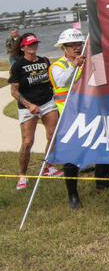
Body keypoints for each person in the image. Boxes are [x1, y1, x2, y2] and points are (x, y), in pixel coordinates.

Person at [49, 28, 109, 208]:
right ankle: (73, 196)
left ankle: (102, 182)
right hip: (70, 117)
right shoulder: (58, 67)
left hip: (93, 112)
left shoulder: (89, 62)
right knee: (72, 156)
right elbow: (62, 82)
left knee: (105, 145)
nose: (77, 48)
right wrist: (74, 65)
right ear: (63, 48)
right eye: (73, 45)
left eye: (80, 44)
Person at [9, 32, 64, 189]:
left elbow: (53, 80)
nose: (34, 46)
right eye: (30, 44)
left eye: (35, 43)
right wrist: (29, 105)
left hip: (47, 103)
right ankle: (22, 175)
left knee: (53, 136)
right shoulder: (18, 66)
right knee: (27, 142)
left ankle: (47, 166)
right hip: (28, 107)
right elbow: (14, 91)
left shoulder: (44, 61)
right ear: (23, 47)